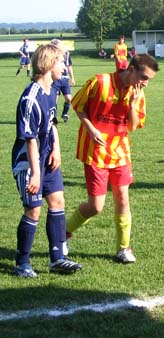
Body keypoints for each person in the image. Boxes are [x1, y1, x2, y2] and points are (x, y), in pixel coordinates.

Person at [65, 54, 160, 264]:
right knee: (96, 207)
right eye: (143, 77)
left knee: (123, 199)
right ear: (131, 69)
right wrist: (90, 129)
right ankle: (64, 233)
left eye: (149, 80)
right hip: (95, 152)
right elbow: (78, 106)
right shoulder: (100, 82)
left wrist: (133, 104)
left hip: (121, 153)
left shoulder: (138, 94)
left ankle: (123, 248)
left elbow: (133, 126)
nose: (145, 83)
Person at [11, 44, 83, 278]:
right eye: (61, 62)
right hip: (28, 162)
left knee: (58, 201)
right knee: (33, 210)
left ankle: (57, 258)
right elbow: (30, 140)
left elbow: (51, 124)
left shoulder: (51, 90)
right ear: (49, 64)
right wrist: (36, 173)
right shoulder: (30, 98)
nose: (65, 66)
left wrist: (57, 149)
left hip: (47, 158)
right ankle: (22, 263)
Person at [50, 39, 76, 123]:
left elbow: (69, 66)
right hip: (56, 79)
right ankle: (53, 117)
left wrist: (72, 77)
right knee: (54, 100)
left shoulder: (66, 54)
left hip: (65, 79)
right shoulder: (51, 54)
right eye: (60, 45)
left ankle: (64, 114)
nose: (61, 46)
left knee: (68, 98)